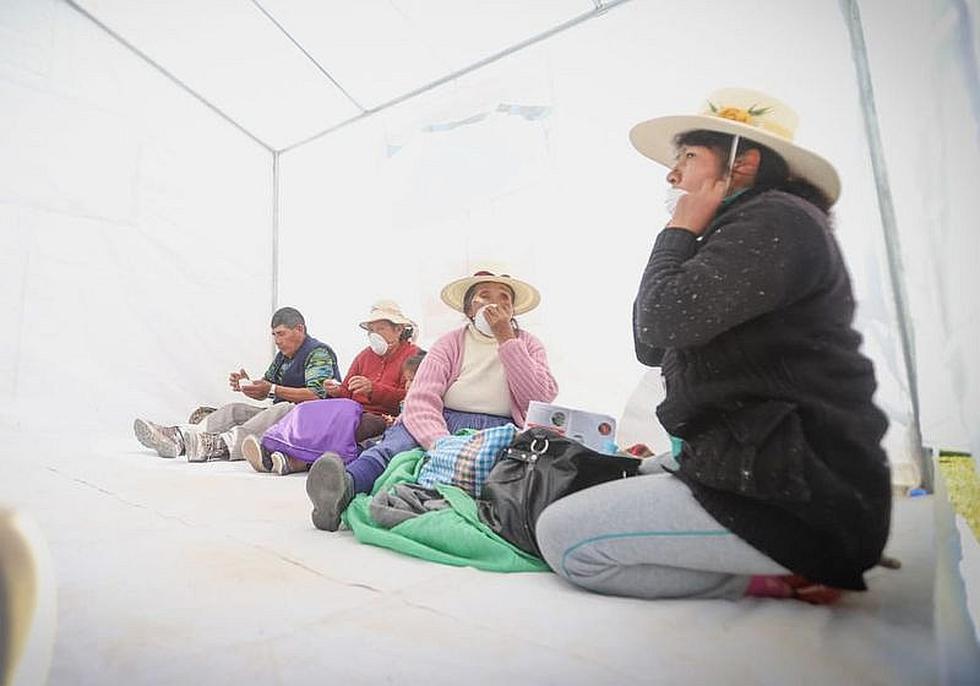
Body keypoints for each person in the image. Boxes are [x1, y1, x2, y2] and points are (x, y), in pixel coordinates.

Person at [536, 88, 892, 603]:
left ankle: (780, 573)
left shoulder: (778, 221)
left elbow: (660, 323)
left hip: (801, 497)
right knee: (602, 480)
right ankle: (775, 558)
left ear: (741, 163)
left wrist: (678, 229)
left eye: (687, 157)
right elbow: (649, 346)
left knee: (563, 538)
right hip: (760, 464)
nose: (672, 174)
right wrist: (682, 235)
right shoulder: (739, 231)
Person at [305, 270, 559, 531]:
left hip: (497, 429)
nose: (495, 304)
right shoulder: (450, 343)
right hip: (441, 419)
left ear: (513, 310)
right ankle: (343, 488)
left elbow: (540, 398)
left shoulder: (529, 344)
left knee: (505, 470)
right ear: (469, 308)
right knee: (395, 446)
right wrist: (440, 442)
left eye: (504, 298)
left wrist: (507, 340)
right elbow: (422, 399)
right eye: (484, 296)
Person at [133, 307, 340, 462]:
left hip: (309, 425)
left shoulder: (318, 353)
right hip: (282, 418)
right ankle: (179, 436)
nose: (277, 340)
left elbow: (316, 395)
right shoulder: (283, 357)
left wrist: (272, 389)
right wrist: (249, 386)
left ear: (300, 329)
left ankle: (218, 445)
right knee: (234, 410)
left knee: (284, 407)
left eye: (281, 334)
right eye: (274, 335)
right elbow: (266, 389)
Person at [241, 301, 422, 475]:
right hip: (355, 412)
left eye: (380, 329)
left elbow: (413, 396)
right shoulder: (364, 356)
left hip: (383, 418)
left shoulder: (413, 356)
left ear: (398, 329)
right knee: (310, 409)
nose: (374, 335)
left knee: (351, 418)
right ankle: (280, 452)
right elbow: (345, 391)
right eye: (371, 330)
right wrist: (335, 390)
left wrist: (373, 389)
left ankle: (290, 458)